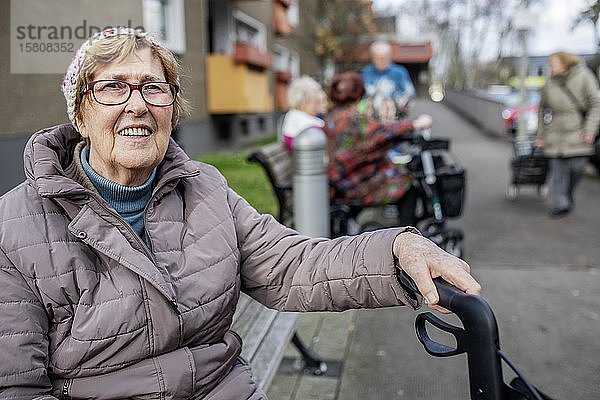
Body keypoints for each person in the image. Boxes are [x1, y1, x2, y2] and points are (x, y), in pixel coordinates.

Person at [0, 27, 480, 399]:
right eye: (114, 88)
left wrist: (393, 250)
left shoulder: (205, 187)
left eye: (154, 87)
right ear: (81, 114)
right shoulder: (15, 228)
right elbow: (17, 386)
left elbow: (290, 266)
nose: (138, 105)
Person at [324, 71, 431, 227]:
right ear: (358, 92)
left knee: (397, 174)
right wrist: (415, 124)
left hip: (340, 181)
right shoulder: (351, 119)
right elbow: (382, 131)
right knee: (409, 186)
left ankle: (353, 225)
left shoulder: (332, 116)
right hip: (353, 185)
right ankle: (406, 236)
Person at [536, 51, 600, 217]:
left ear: (565, 63)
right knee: (556, 172)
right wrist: (540, 135)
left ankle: (567, 193)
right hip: (554, 133)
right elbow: (542, 109)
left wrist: (590, 129)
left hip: (577, 130)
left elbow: (595, 104)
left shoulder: (584, 76)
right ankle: (561, 203)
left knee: (578, 167)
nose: (551, 67)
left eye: (554, 63)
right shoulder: (549, 82)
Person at [361, 40, 416, 121]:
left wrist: (400, 104)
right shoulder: (366, 72)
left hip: (395, 117)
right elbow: (360, 96)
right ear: (372, 57)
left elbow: (410, 93)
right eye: (378, 58)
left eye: (384, 57)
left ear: (389, 56)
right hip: (370, 118)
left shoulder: (399, 72)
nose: (381, 60)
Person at [280, 75, 328, 151]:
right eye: (316, 100)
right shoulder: (300, 119)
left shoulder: (295, 115)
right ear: (304, 102)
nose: (317, 104)